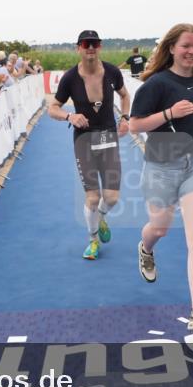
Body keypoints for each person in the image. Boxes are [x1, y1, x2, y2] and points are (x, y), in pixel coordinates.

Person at [128, 24, 193, 330]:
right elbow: (135, 126)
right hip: (161, 166)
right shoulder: (156, 84)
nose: (192, 52)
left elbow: (191, 112)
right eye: (186, 46)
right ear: (171, 48)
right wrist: (169, 114)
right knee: (160, 227)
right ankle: (146, 249)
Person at [48, 30, 130, 260]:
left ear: (100, 47)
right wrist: (70, 117)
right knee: (93, 197)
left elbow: (125, 95)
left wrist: (125, 117)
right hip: (84, 140)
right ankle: (93, 240)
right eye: (86, 44)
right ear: (79, 48)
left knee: (112, 198)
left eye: (95, 43)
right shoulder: (70, 78)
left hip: (107, 137)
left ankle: (100, 217)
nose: (91, 47)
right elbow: (52, 107)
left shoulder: (112, 72)